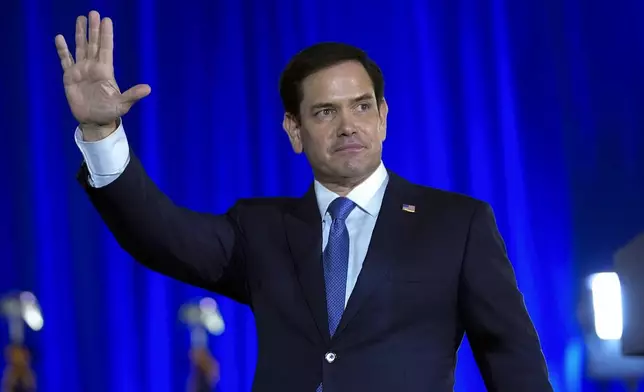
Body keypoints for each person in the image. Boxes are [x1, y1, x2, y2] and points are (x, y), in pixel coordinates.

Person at [54, 10, 553, 392]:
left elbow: (513, 358)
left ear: (382, 116)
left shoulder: (456, 223)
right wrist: (101, 132)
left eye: (361, 106)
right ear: (294, 130)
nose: (348, 126)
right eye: (324, 112)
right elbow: (159, 235)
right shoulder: (261, 230)